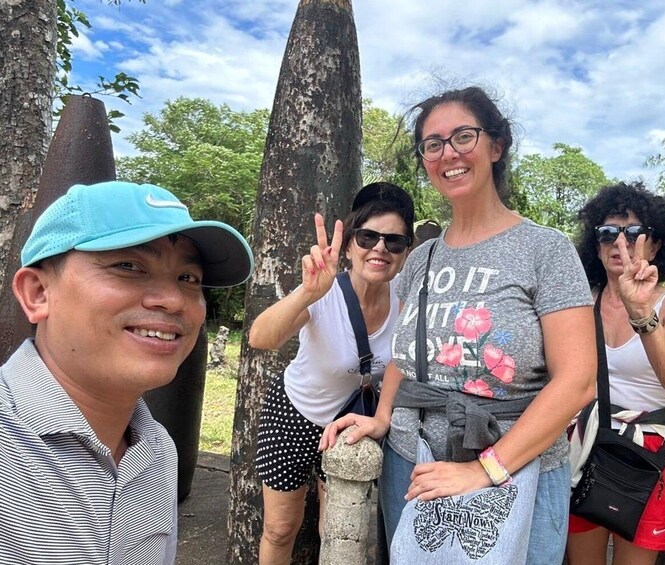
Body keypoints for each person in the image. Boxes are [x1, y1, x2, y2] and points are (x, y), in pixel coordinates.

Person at [320, 86, 597, 563]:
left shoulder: (545, 250)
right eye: (433, 143)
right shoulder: (422, 258)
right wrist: (382, 418)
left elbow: (578, 381)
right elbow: (405, 358)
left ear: (496, 145)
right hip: (413, 461)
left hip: (515, 466)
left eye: (462, 136)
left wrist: (484, 469)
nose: (448, 153)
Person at [0, 180, 253, 564]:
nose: (172, 301)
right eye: (129, 266)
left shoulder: (158, 451)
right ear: (38, 293)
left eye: (188, 279)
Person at [250, 182, 414, 565]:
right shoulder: (324, 293)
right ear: (351, 242)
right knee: (280, 528)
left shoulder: (404, 309)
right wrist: (306, 293)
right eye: (368, 236)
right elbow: (261, 338)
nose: (379, 248)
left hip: (348, 425)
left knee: (339, 529)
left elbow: (399, 367)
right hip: (293, 415)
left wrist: (382, 417)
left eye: (394, 242)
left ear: (406, 252)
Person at [566, 182, 665, 564]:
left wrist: (640, 311)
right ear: (596, 244)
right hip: (585, 449)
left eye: (633, 233)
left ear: (655, 245)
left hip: (646, 457)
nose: (619, 243)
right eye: (607, 233)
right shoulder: (581, 301)